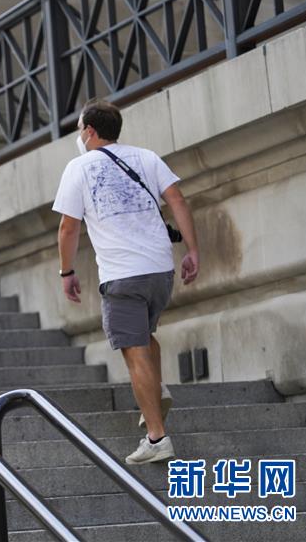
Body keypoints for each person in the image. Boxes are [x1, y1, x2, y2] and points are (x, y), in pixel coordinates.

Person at [52, 99, 199, 465]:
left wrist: (67, 271)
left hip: (122, 274)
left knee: (134, 352)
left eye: (79, 130)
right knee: (145, 335)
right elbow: (177, 199)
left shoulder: (78, 167)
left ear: (89, 131)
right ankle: (157, 388)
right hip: (159, 270)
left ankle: (156, 438)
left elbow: (69, 227)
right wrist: (192, 251)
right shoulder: (146, 157)